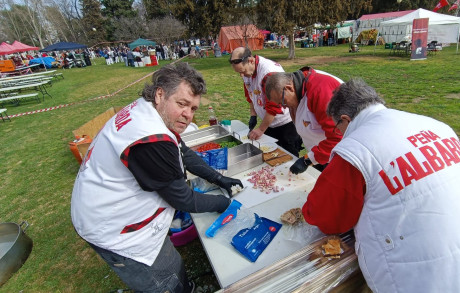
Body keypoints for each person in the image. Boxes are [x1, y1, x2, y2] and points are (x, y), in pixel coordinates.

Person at [302, 78, 460, 292]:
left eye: (337, 127)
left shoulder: (356, 149)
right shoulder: (437, 126)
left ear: (345, 119)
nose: (338, 133)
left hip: (425, 277)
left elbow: (326, 217)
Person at [71, 63, 243, 293]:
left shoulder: (151, 109)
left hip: (109, 204)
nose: (188, 115)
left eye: (193, 108)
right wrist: (223, 203)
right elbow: (184, 200)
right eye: (182, 104)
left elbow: (184, 153)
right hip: (115, 227)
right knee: (163, 281)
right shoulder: (151, 137)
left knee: (172, 264)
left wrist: (219, 179)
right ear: (161, 94)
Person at [264, 67, 343, 174]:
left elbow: (338, 136)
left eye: (283, 102)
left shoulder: (320, 91)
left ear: (289, 88)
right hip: (322, 152)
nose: (284, 107)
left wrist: (308, 160)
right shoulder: (297, 90)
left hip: (341, 153)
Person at [229, 47, 303, 156]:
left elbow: (273, 107)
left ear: (251, 60)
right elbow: (250, 95)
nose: (241, 75)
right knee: (270, 154)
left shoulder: (269, 74)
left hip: (285, 123)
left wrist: (260, 129)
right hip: (270, 122)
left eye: (243, 71)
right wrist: (253, 115)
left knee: (288, 156)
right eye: (239, 73)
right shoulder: (248, 71)